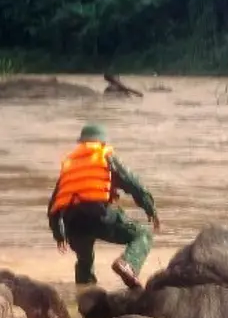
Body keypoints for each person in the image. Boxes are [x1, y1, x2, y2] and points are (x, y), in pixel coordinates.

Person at [47, 123, 159, 289]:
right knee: (143, 234)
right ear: (103, 142)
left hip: (73, 224)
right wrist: (150, 208)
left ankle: (85, 293)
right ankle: (127, 264)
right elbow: (133, 184)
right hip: (99, 216)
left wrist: (59, 234)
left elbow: (53, 206)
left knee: (84, 260)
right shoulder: (106, 157)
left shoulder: (70, 165)